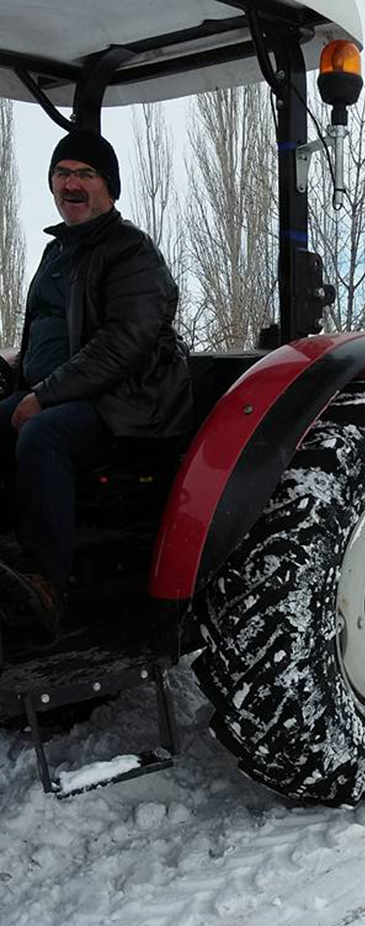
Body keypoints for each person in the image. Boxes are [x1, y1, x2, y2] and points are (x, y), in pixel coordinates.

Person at [0, 128, 192, 639]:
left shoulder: (130, 252)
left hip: (126, 404)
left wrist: (44, 395)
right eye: (63, 173)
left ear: (109, 188)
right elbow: (44, 332)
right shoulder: (58, 252)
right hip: (66, 391)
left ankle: (48, 584)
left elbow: (123, 345)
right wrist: (20, 385)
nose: (72, 183)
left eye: (86, 174)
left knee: (42, 434)